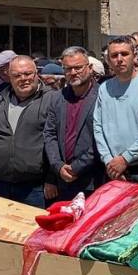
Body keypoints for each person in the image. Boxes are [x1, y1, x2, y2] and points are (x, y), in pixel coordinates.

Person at [0, 56, 56, 208]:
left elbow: (58, 142)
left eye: (28, 74)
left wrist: (52, 179)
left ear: (36, 74)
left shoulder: (52, 100)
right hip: (1, 186)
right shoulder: (0, 101)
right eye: (17, 75)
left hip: (37, 189)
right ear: (9, 78)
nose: (23, 79)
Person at [93, 36, 138, 182]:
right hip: (111, 169)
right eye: (114, 55)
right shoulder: (105, 88)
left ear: (134, 56)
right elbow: (98, 126)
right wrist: (108, 160)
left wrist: (125, 158)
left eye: (124, 54)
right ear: (108, 60)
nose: (119, 59)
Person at [44, 47, 102, 201]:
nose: (73, 72)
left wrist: (77, 167)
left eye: (78, 67)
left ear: (89, 68)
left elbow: (103, 138)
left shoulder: (103, 97)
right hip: (62, 180)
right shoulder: (57, 98)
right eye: (68, 69)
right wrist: (58, 166)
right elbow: (49, 134)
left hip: (92, 181)